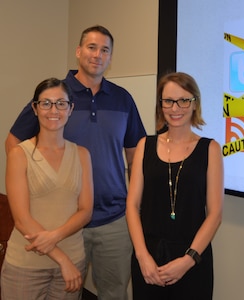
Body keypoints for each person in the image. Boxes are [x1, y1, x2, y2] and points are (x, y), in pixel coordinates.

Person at [4, 25, 146, 299]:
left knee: (113, 292)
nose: (97, 55)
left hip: (114, 219)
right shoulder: (56, 96)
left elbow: (135, 154)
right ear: (78, 51)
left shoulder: (123, 99)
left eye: (105, 50)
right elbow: (13, 144)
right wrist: (32, 190)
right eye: (91, 47)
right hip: (63, 223)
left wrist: (136, 205)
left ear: (110, 57)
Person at [126, 72, 224, 300]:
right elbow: (132, 206)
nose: (175, 108)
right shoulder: (145, 145)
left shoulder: (210, 149)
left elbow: (215, 213)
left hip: (192, 259)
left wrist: (188, 260)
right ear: (160, 105)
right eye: (168, 101)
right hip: (148, 259)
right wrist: (142, 256)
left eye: (183, 100)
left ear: (194, 104)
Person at [1, 78, 93, 299]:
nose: (54, 110)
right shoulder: (19, 154)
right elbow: (22, 220)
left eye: (61, 103)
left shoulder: (82, 155)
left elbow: (85, 211)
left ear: (70, 109)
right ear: (35, 108)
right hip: (26, 266)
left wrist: (54, 237)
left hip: (73, 260)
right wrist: (61, 259)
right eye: (46, 103)